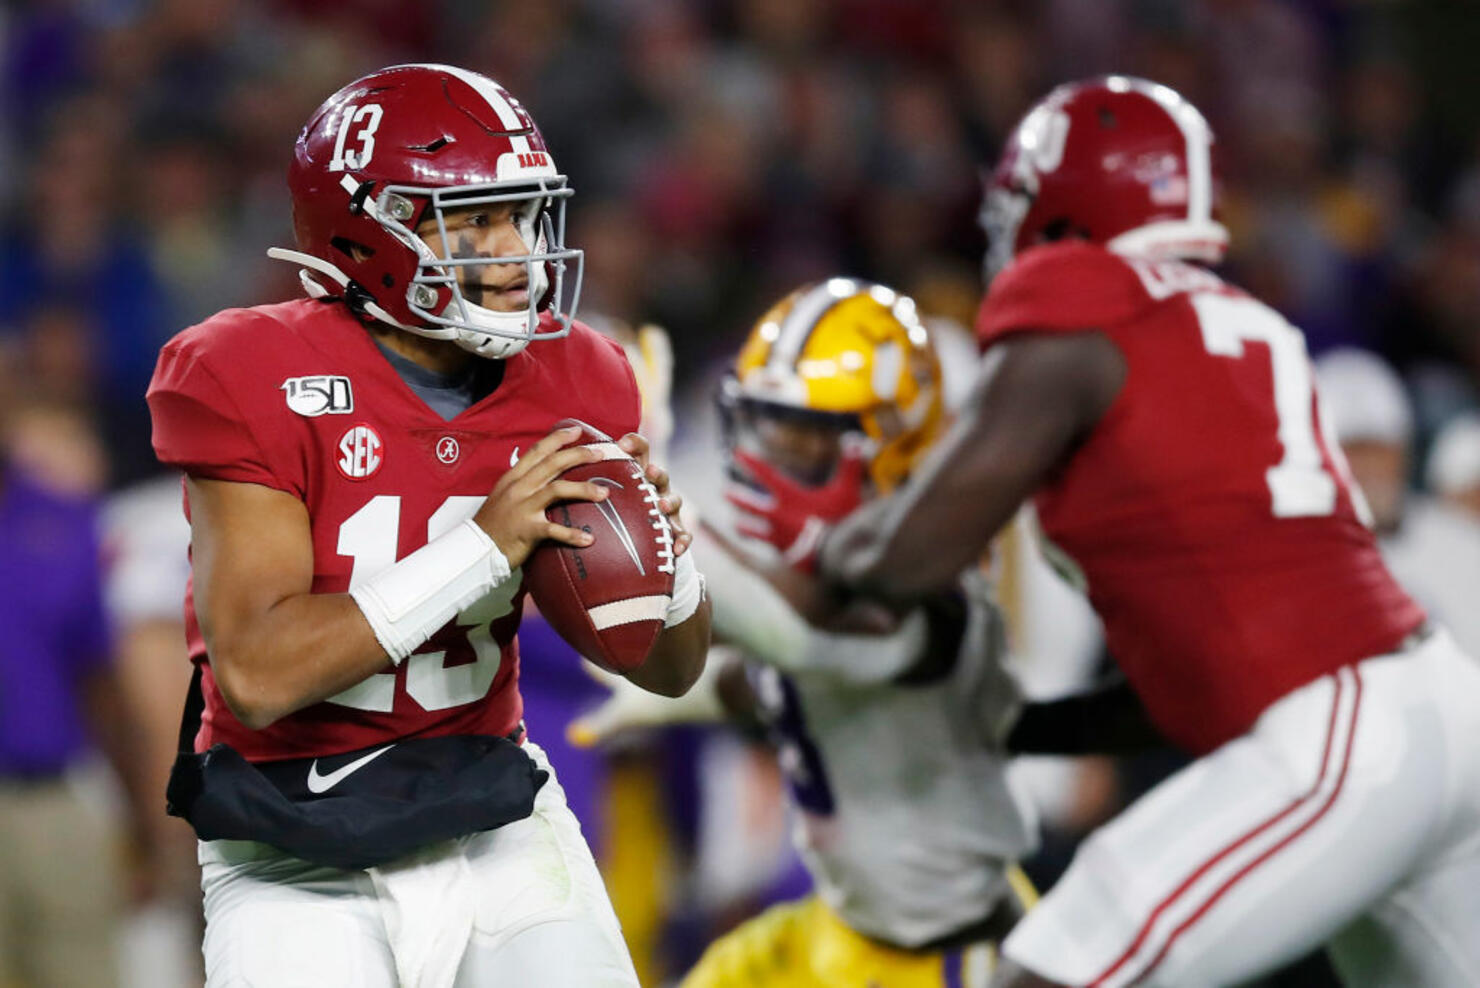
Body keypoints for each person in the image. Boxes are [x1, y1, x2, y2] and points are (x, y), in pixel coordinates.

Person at [741, 77, 1480, 987]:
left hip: (1339, 735)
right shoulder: (1245, 327)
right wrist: (1015, 725)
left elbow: (905, 560)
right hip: (1433, 712)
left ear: (1063, 208)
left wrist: (804, 564)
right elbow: (1180, 677)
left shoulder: (1077, 292)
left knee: (1057, 968)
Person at [145, 63, 710, 988]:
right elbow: (256, 673)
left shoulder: (583, 376)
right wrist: (486, 546)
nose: (514, 251)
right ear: (372, 230)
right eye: (473, 219)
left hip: (491, 809)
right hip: (291, 843)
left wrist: (662, 554)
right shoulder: (249, 369)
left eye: (522, 216)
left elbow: (675, 667)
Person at [579, 281, 1158, 987]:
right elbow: (777, 678)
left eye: (801, 439)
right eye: (763, 427)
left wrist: (646, 493)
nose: (767, 461)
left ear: (896, 445)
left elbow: (796, 637)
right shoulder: (832, 575)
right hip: (840, 929)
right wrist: (677, 695)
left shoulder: (931, 590)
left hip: (945, 952)